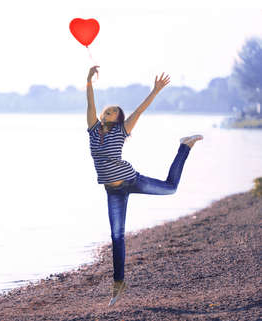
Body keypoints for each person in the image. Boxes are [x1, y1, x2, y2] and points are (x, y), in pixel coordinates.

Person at [86, 65, 203, 307]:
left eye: (113, 111)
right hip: (112, 191)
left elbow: (140, 109)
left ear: (118, 118)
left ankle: (185, 146)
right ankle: (119, 285)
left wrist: (155, 90)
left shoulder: (122, 130)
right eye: (107, 110)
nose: (108, 112)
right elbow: (90, 105)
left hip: (131, 180)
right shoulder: (93, 131)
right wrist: (89, 82)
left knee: (171, 188)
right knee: (116, 235)